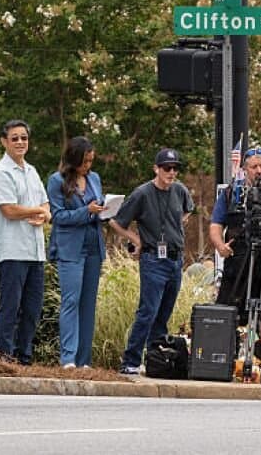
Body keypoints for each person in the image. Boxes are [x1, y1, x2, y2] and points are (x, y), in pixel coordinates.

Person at [110, 148, 194, 375]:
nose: (172, 172)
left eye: (175, 168)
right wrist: (136, 239)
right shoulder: (142, 193)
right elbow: (116, 222)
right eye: (167, 168)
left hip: (175, 259)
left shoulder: (180, 190)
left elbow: (188, 210)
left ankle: (156, 360)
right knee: (148, 311)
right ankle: (130, 360)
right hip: (153, 258)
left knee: (164, 313)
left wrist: (175, 226)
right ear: (156, 168)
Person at [209, 145, 261, 364]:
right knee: (229, 313)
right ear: (245, 169)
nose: (260, 170)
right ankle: (226, 362)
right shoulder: (231, 193)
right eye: (254, 166)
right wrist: (220, 246)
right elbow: (216, 225)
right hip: (240, 260)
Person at [0, 119, 50, 364]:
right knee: (10, 307)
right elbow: (9, 210)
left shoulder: (31, 171)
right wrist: (37, 211)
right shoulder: (0, 172)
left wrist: (44, 213)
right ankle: (4, 356)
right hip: (11, 250)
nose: (20, 142)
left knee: (32, 309)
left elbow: (46, 205)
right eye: (15, 138)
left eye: (24, 137)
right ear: (4, 142)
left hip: (34, 251)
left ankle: (24, 357)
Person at [46, 136, 105, 369]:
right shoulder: (56, 181)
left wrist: (104, 210)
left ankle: (83, 361)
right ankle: (68, 358)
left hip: (93, 245)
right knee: (71, 300)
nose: (88, 166)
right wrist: (86, 211)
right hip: (70, 248)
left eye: (90, 161)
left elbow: (97, 209)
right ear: (73, 160)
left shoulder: (95, 179)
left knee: (88, 304)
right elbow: (58, 217)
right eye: (84, 161)